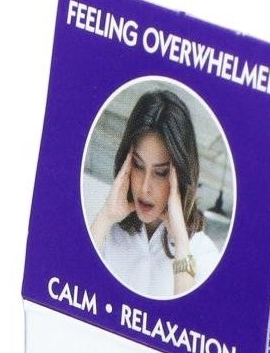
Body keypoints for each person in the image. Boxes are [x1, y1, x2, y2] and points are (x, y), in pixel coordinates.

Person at [89, 88, 219, 298]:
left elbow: (189, 316)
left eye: (160, 172)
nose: (145, 187)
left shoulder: (203, 252)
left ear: (180, 175)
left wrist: (182, 245)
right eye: (138, 165)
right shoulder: (105, 233)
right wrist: (105, 217)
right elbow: (69, 289)